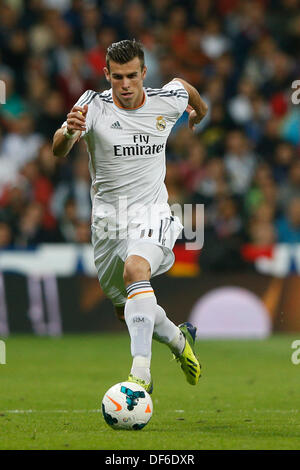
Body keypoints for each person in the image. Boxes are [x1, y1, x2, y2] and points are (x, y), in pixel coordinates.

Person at [52, 39, 207, 393]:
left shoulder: (166, 102)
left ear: (144, 73)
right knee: (127, 310)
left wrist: (200, 110)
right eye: (117, 77)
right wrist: (67, 131)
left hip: (153, 212)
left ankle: (140, 375)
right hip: (108, 223)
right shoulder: (92, 106)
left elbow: (185, 88)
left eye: (132, 76)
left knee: (136, 270)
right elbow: (59, 149)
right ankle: (180, 341)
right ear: (106, 74)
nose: (125, 85)